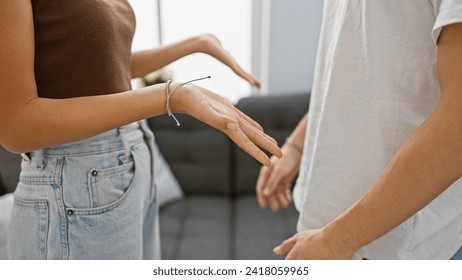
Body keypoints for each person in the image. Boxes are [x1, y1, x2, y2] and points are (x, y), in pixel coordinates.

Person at [1, 0, 281, 260]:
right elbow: (15, 126)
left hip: (127, 166)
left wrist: (196, 43)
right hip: (76, 182)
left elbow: (113, 65)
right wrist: (170, 96)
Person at [256, 0, 462, 259]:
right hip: (329, 225)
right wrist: (298, 143)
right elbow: (361, 64)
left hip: (396, 248)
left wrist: (337, 240)